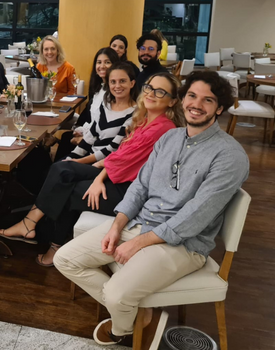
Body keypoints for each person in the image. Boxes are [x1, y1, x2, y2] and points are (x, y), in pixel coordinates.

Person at [54, 70, 248, 349]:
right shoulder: (170, 138)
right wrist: (117, 225)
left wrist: (140, 243)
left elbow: (197, 214)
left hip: (184, 245)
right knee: (65, 258)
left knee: (118, 294)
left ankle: (123, 327)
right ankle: (139, 318)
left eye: (208, 100)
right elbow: (140, 187)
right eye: (192, 95)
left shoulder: (229, 155)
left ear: (219, 108)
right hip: (138, 225)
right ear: (182, 100)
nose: (196, 104)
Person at [0, 71, 184, 267]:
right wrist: (98, 174)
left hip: (128, 191)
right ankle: (33, 226)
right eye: (149, 88)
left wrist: (98, 177)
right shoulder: (146, 119)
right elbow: (121, 156)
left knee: (66, 187)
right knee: (62, 169)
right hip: (116, 176)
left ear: (172, 101)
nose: (151, 93)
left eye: (160, 92)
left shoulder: (163, 128)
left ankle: (48, 240)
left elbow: (124, 162)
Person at [54, 47, 119, 161]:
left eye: (107, 62)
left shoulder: (115, 93)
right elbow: (93, 120)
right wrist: (81, 130)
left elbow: (104, 128)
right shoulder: (99, 89)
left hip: (98, 145)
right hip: (91, 134)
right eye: (99, 62)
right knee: (66, 138)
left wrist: (84, 138)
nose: (102, 66)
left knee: (65, 147)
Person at [65, 62, 138, 163]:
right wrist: (71, 158)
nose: (117, 86)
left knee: (61, 171)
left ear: (132, 83)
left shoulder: (134, 114)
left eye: (122, 81)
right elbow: (90, 136)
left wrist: (79, 162)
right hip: (90, 157)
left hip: (104, 165)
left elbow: (112, 148)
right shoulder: (105, 106)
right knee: (58, 167)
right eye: (113, 82)